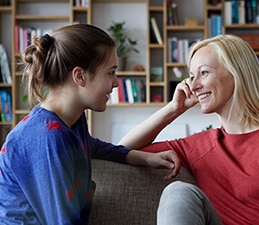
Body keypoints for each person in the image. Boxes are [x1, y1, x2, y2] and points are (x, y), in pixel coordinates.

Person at [119, 34, 259, 225]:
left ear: (236, 74)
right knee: (178, 192)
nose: (193, 86)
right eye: (192, 76)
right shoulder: (200, 146)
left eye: (204, 73)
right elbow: (120, 149)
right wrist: (173, 109)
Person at [0, 24, 180, 225]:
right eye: (111, 72)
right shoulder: (47, 138)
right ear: (80, 76)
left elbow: (91, 146)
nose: (116, 83)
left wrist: (146, 159)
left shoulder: (71, 120)